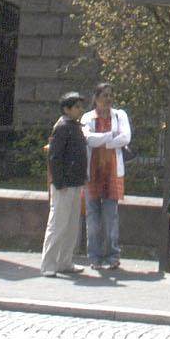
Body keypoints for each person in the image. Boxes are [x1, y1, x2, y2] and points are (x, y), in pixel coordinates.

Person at [80, 83, 131, 271]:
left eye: (110, 95)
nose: (108, 99)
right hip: (92, 172)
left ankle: (112, 255)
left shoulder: (120, 115)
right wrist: (111, 136)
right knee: (92, 217)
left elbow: (126, 138)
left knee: (111, 217)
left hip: (112, 171)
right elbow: (88, 139)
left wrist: (103, 141)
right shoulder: (87, 117)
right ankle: (94, 257)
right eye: (104, 95)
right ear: (96, 98)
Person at [40, 91, 88, 277]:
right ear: (67, 109)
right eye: (76, 106)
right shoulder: (62, 127)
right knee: (58, 224)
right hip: (64, 184)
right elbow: (55, 156)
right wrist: (59, 182)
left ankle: (65, 261)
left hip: (75, 182)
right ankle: (49, 264)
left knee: (71, 225)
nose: (80, 110)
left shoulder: (74, 126)